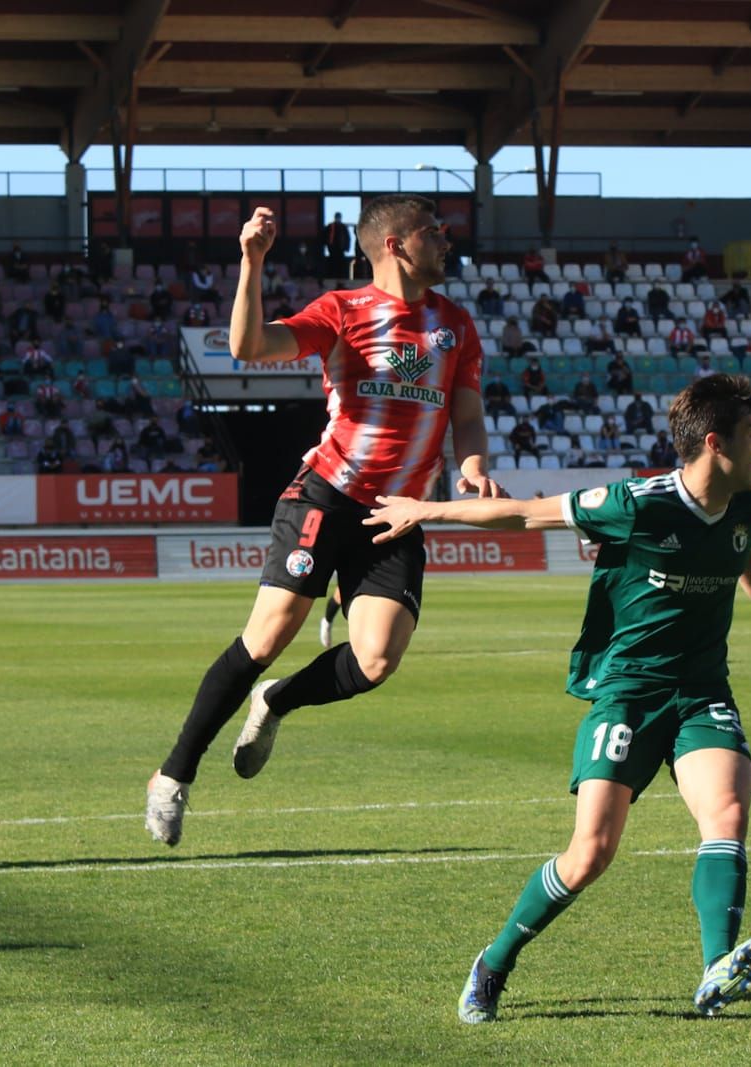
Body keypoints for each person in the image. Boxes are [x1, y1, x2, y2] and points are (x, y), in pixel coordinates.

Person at [363, 373, 751, 1024]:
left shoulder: (747, 502)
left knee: (726, 811)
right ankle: (494, 961)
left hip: (701, 690)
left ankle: (716, 969)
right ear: (716, 443)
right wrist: (424, 509)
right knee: (591, 853)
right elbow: (526, 513)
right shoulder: (637, 503)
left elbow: (743, 554)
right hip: (629, 693)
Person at [144, 195, 504, 847]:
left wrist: (473, 463)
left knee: (375, 660)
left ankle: (276, 701)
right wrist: (251, 262)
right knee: (267, 635)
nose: (447, 242)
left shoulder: (456, 326)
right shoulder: (343, 311)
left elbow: (467, 414)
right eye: (435, 232)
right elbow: (249, 345)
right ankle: (173, 774)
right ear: (395, 244)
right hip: (325, 495)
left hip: (397, 512)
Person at [324, 211, 351, 276]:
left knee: (340, 264)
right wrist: (328, 245)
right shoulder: (330, 226)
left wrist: (346, 248)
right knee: (332, 263)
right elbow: (326, 236)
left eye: (339, 217)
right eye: (337, 217)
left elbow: (347, 238)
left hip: (341, 248)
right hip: (332, 249)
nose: (338, 219)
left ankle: (340, 275)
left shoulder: (343, 227)